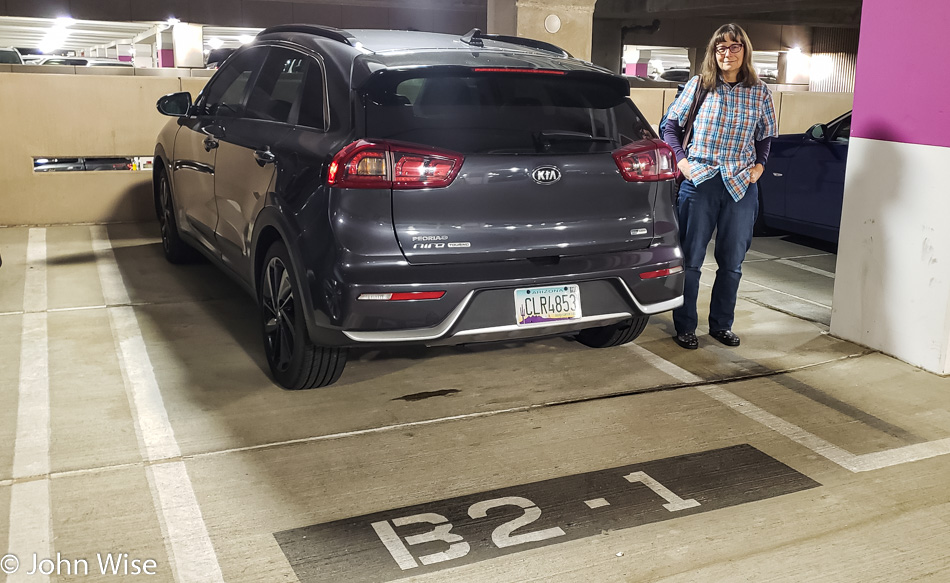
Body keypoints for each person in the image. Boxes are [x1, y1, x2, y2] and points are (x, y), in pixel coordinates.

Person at [663, 23, 777, 350]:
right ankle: (685, 325)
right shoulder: (700, 86)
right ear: (714, 52)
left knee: (732, 263)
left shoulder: (759, 92)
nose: (727, 53)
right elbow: (670, 125)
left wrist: (759, 167)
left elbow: (766, 135)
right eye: (721, 48)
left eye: (734, 47)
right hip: (700, 182)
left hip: (741, 184)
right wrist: (683, 162)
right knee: (692, 259)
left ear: (745, 51)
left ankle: (721, 325)